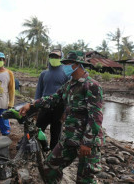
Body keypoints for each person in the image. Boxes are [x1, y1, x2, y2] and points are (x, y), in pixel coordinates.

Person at [19, 51, 104, 184]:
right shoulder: (70, 84)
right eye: (64, 64)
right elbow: (53, 98)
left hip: (87, 141)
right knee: (50, 167)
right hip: (70, 137)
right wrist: (32, 105)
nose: (64, 67)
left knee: (85, 179)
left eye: (67, 64)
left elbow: (96, 117)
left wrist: (87, 143)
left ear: (77, 65)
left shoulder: (91, 86)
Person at [34, 49, 69, 150]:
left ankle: (53, 155)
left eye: (57, 57)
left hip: (59, 108)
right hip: (44, 106)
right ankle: (41, 149)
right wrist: (35, 107)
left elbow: (68, 93)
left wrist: (65, 111)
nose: (54, 59)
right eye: (52, 57)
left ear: (61, 58)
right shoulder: (44, 74)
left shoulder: (66, 73)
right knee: (38, 130)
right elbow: (38, 91)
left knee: (56, 132)